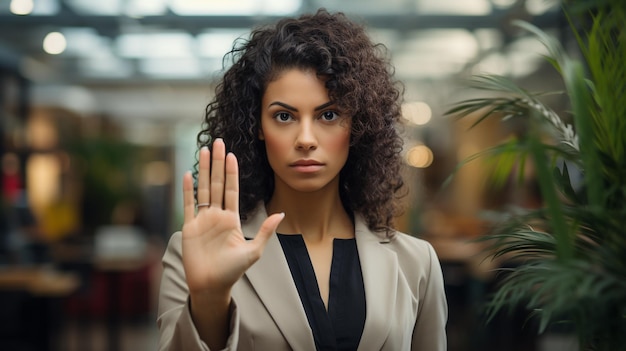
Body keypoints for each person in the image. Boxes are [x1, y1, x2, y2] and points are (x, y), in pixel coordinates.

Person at [157, 9, 448, 351]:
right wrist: (208, 299)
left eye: (328, 114)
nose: (306, 138)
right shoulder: (197, 253)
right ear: (257, 127)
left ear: (358, 125)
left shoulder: (415, 263)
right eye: (284, 116)